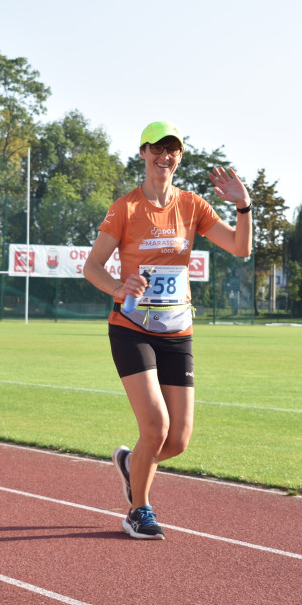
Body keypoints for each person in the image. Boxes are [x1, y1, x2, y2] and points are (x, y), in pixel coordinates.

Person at [83, 121, 252, 540]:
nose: (165, 156)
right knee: (155, 427)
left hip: (177, 330)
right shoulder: (125, 208)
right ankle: (138, 509)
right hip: (132, 327)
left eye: (173, 149)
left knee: (176, 440)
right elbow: (92, 267)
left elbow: (240, 248)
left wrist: (243, 206)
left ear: (179, 156)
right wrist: (118, 288)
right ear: (143, 152)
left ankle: (129, 465)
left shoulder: (192, 205)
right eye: (157, 148)